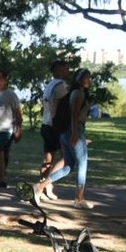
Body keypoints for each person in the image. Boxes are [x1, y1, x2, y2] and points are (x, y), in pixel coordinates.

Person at [36, 67, 92, 207]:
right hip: (74, 131)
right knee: (83, 164)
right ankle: (79, 198)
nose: (89, 80)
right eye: (86, 77)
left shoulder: (73, 93)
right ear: (79, 80)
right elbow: (74, 116)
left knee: (68, 167)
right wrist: (76, 135)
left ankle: (40, 187)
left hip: (66, 133)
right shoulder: (78, 94)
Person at [38, 59, 71, 198]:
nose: (68, 71)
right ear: (58, 70)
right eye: (65, 68)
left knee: (48, 159)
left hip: (45, 125)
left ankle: (45, 186)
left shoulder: (49, 85)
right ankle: (46, 184)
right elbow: (58, 107)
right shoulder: (61, 86)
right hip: (54, 126)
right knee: (67, 157)